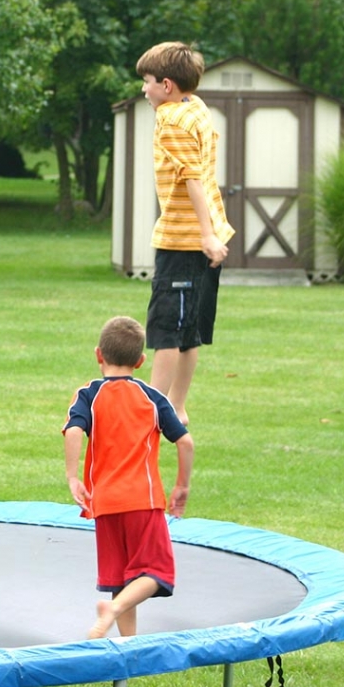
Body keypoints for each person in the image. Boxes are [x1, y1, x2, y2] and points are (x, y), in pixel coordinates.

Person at [63, 315, 194, 639]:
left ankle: (127, 644)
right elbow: (185, 441)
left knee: (122, 578)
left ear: (98, 355)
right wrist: (182, 485)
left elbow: (74, 430)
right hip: (143, 499)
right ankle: (113, 610)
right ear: (140, 360)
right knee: (157, 571)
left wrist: (72, 476)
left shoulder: (88, 394)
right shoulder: (151, 396)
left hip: (104, 502)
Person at [136, 41, 235, 427]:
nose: (143, 90)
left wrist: (205, 236)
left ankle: (154, 410)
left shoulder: (171, 120)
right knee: (189, 329)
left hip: (184, 239)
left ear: (166, 85)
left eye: (146, 82)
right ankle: (175, 407)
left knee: (166, 329)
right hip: (203, 236)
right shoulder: (195, 108)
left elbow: (191, 178)